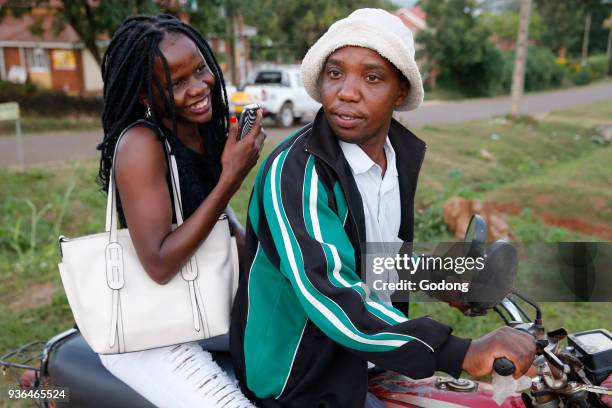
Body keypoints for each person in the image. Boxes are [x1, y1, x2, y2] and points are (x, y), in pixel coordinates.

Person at [230, 9, 536, 408]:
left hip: (371, 360)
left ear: (400, 91)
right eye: (336, 73)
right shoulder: (294, 173)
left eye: (372, 77)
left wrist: (441, 280)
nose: (347, 92)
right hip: (299, 378)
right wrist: (460, 351)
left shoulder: (395, 159)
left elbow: (370, 258)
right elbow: (332, 293)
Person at [95, 14, 264, 407]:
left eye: (201, 68)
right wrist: (230, 178)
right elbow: (159, 262)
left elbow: (223, 224)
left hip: (203, 308)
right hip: (150, 333)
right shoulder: (141, 144)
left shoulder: (201, 128)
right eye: (177, 83)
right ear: (145, 96)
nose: (199, 87)